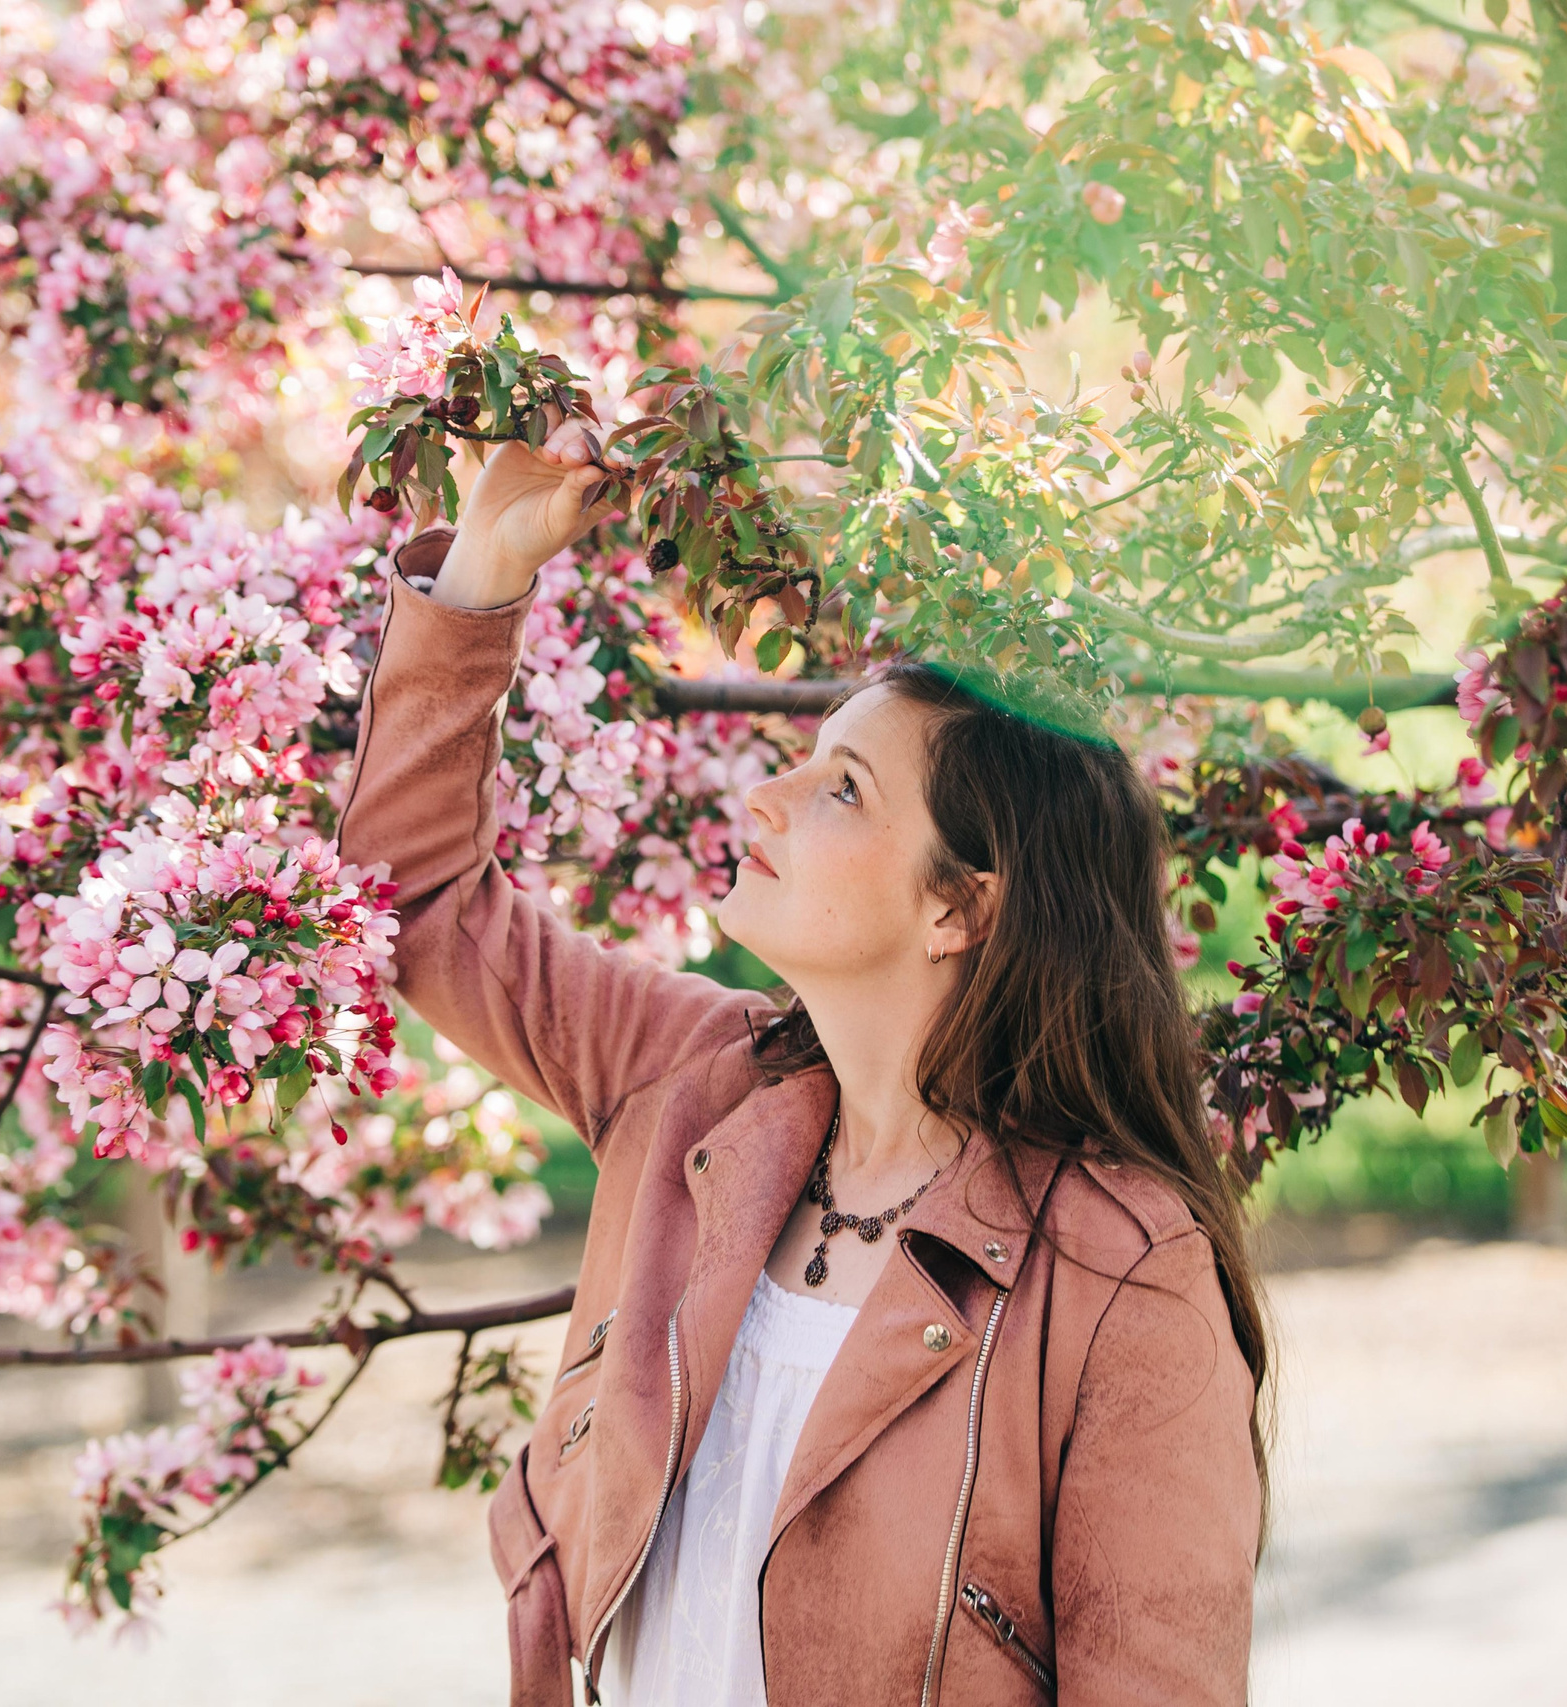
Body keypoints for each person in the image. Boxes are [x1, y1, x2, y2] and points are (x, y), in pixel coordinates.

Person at [333, 416, 1268, 1706]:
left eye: (842, 790)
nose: (765, 797)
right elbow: (417, 898)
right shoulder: (685, 1083)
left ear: (964, 907)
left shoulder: (1124, 1275)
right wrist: (481, 576)